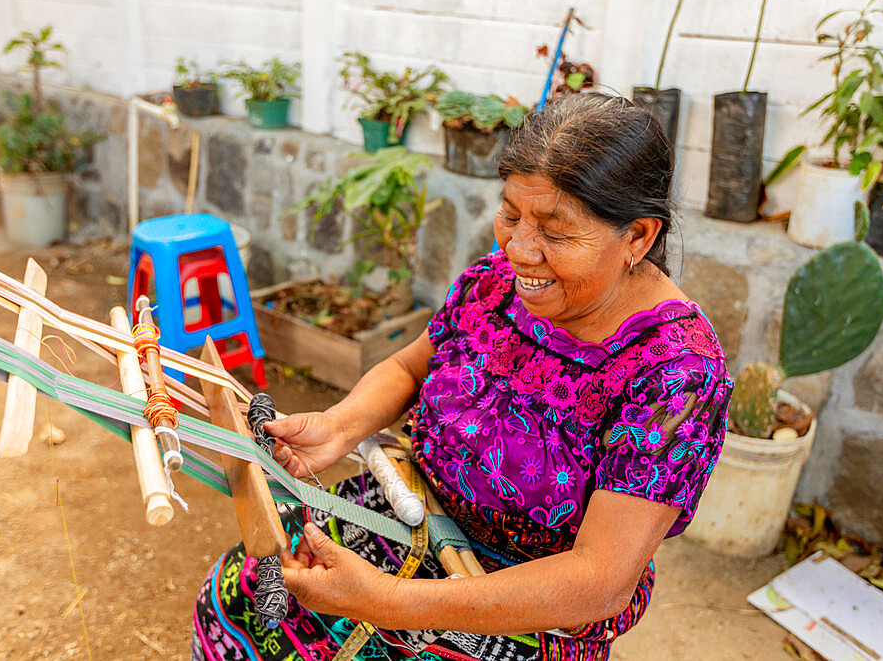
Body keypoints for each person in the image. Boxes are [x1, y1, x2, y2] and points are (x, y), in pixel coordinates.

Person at [192, 92, 733, 661]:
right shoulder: (497, 284)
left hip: (524, 599)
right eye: (511, 213)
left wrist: (386, 600)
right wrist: (340, 425)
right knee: (236, 600)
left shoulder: (679, 374)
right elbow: (408, 366)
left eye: (555, 231)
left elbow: (598, 580)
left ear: (639, 237)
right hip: (410, 511)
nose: (520, 249)